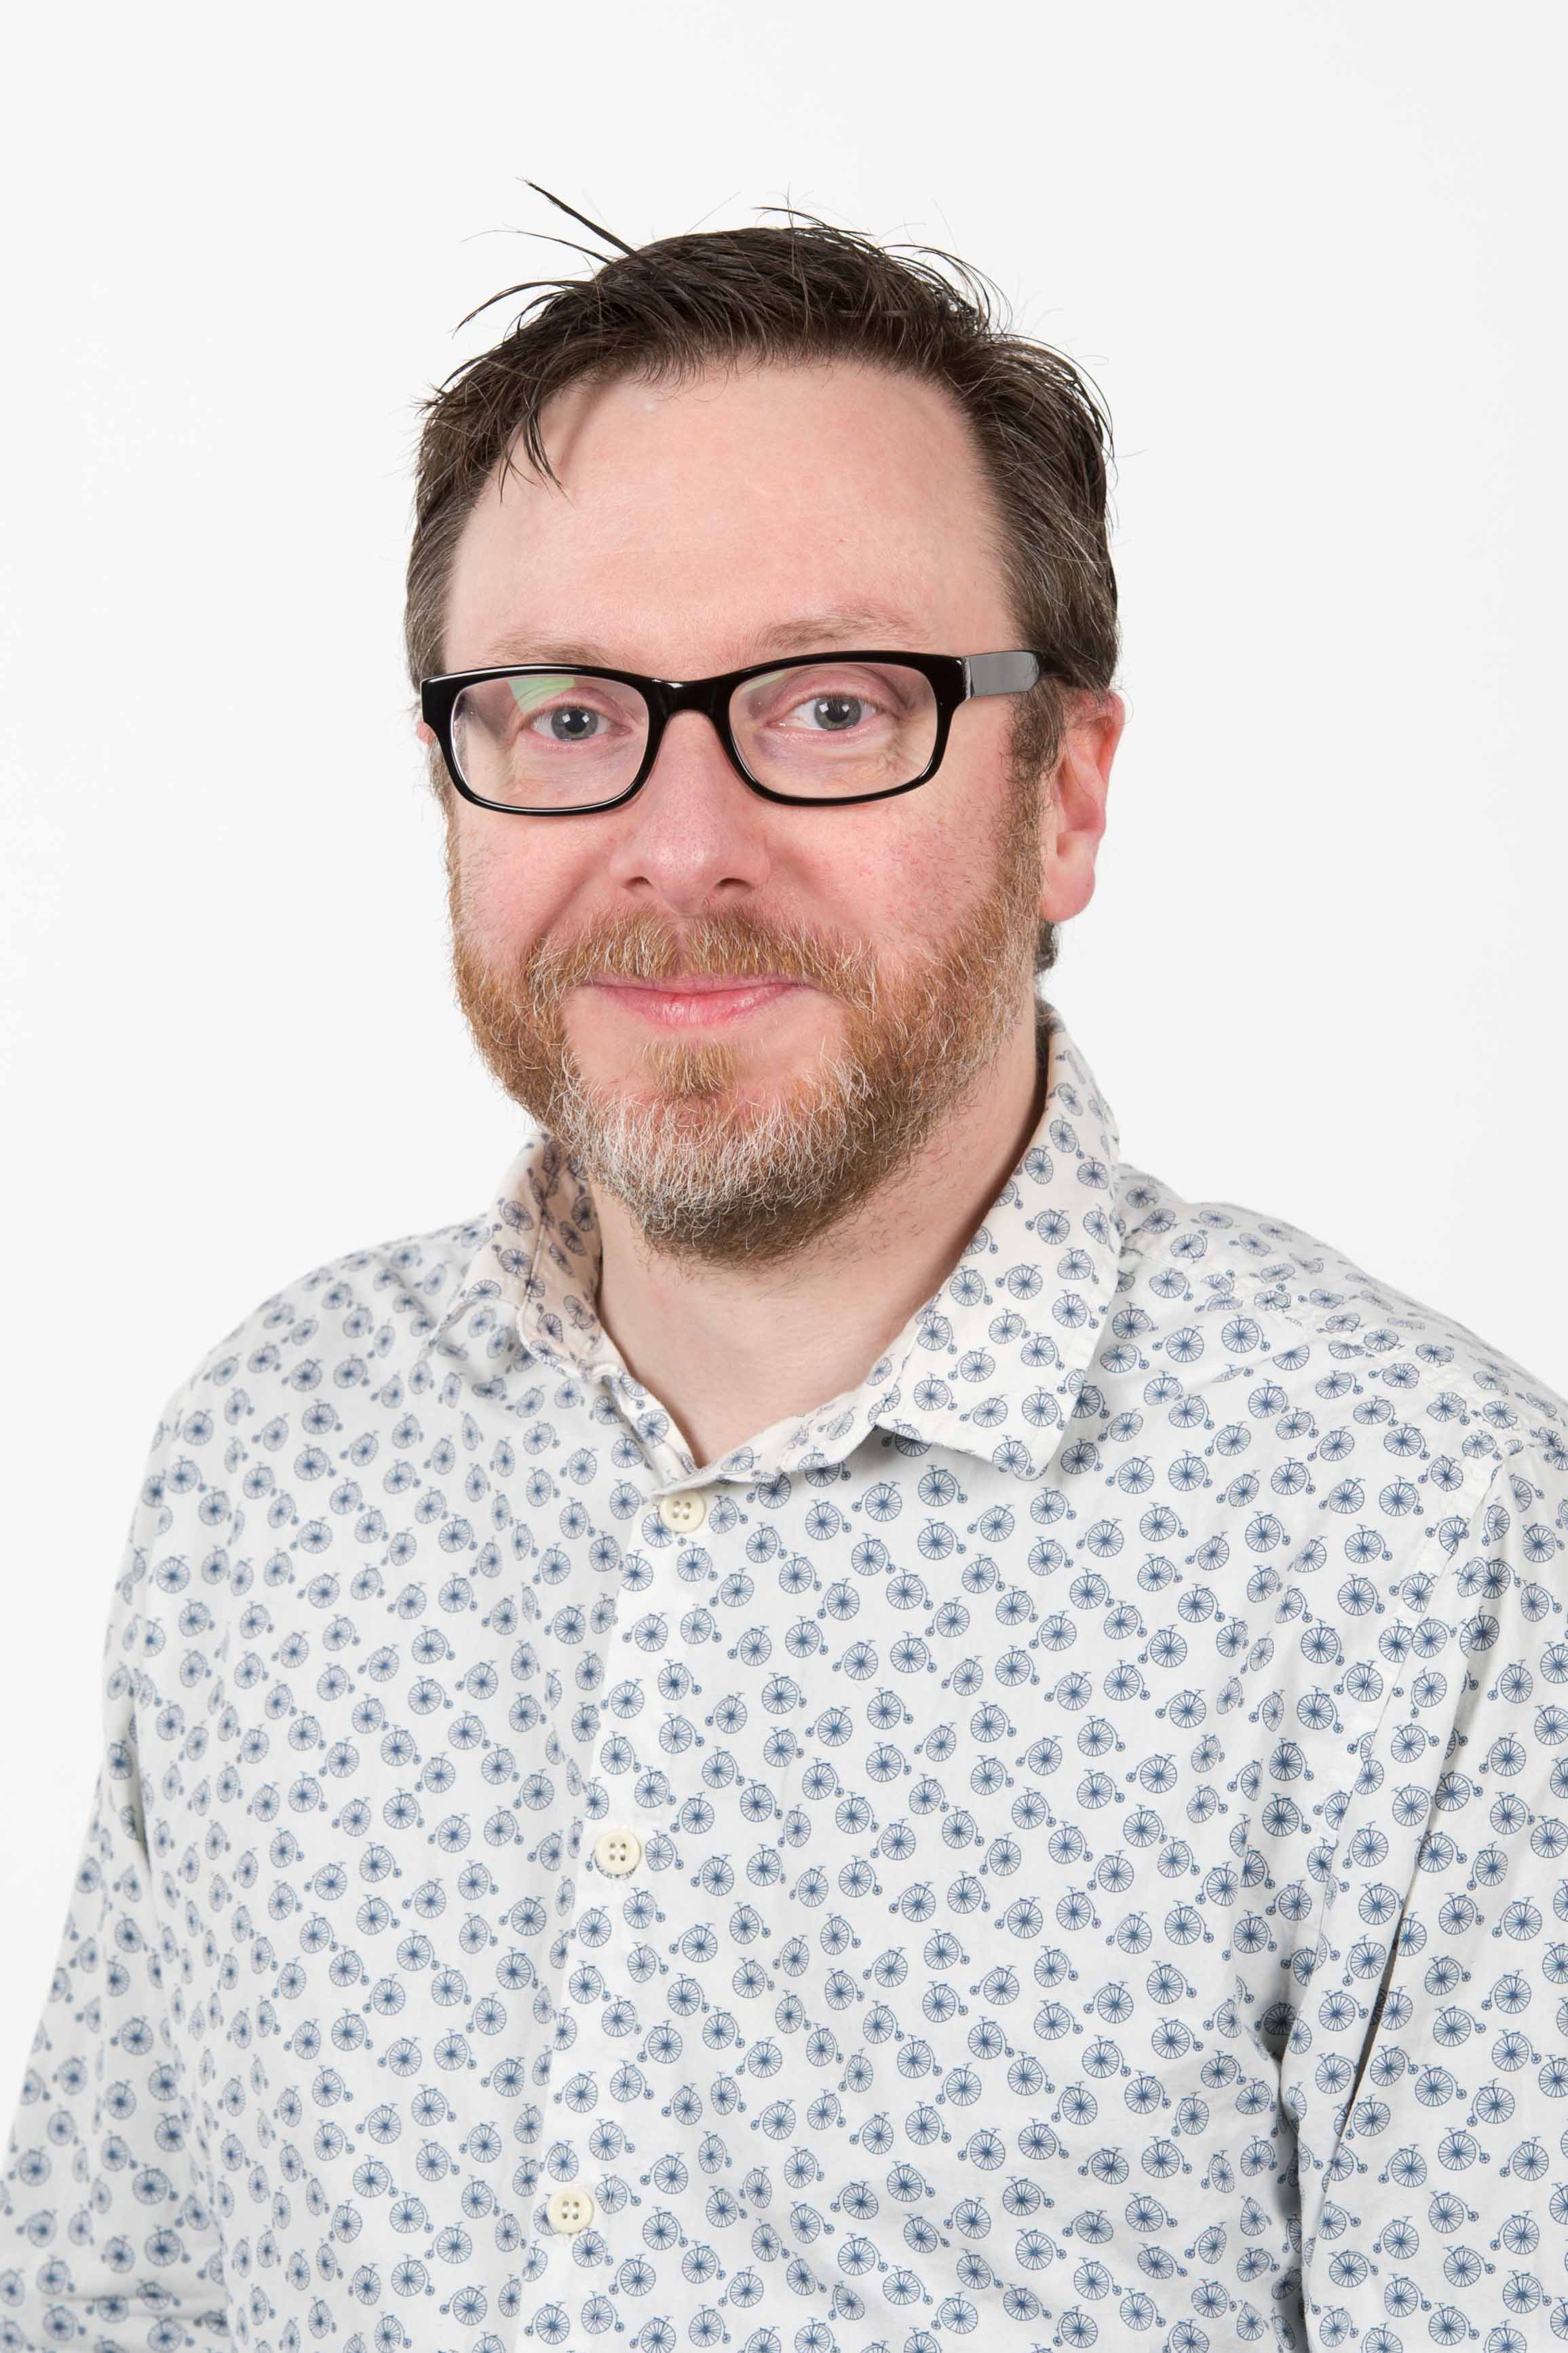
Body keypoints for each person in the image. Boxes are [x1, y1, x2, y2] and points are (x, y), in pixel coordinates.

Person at [3, 197, 1565, 2353]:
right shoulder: (270, 1464)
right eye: (564, 715)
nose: (680, 839)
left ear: (1065, 799)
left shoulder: (1426, 1533)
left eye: (831, 706)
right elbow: (105, 2298)